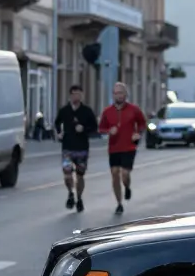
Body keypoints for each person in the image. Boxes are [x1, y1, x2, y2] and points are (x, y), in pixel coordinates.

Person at [98, 82, 146, 215]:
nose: (119, 95)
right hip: (114, 147)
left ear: (126, 95)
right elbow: (101, 129)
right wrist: (109, 131)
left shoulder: (134, 109)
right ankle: (119, 203)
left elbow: (142, 123)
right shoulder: (107, 112)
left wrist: (138, 133)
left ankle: (127, 187)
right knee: (114, 173)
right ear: (113, 95)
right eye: (116, 93)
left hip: (129, 146)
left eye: (121, 93)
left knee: (124, 174)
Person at [53, 85, 96, 213]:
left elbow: (94, 127)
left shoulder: (87, 111)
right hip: (67, 147)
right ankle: (70, 193)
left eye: (79, 94)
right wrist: (59, 132)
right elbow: (57, 123)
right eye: (74, 94)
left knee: (80, 175)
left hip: (82, 148)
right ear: (70, 96)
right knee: (67, 174)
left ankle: (79, 198)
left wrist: (84, 129)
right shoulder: (65, 110)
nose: (77, 96)